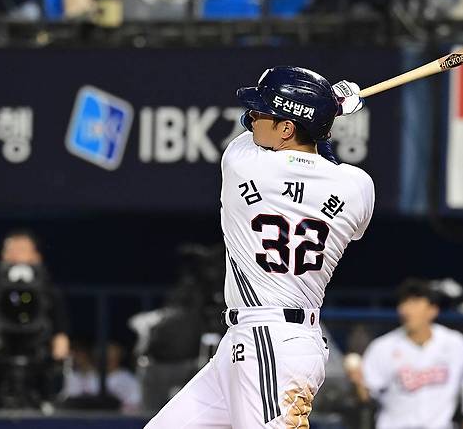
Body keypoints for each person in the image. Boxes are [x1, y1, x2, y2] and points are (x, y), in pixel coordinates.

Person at [145, 66, 372, 429]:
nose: (252, 117)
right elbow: (325, 170)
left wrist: (332, 110)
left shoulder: (242, 163)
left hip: (271, 343)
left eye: (263, 111)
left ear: (287, 129)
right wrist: (324, 122)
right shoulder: (358, 186)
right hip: (262, 340)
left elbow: (249, 132)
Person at [345, 278, 463, 429]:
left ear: (432, 310)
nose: (406, 310)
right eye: (403, 303)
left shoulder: (456, 344)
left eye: (414, 302)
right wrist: (357, 382)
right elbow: (365, 396)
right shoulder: (383, 347)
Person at [0, 229, 70, 361]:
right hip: (1, 349)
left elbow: (59, 323)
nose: (16, 255)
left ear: (36, 256)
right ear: (3, 255)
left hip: (38, 350)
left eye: (22, 250)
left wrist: (61, 337)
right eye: (11, 250)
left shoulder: (48, 291)